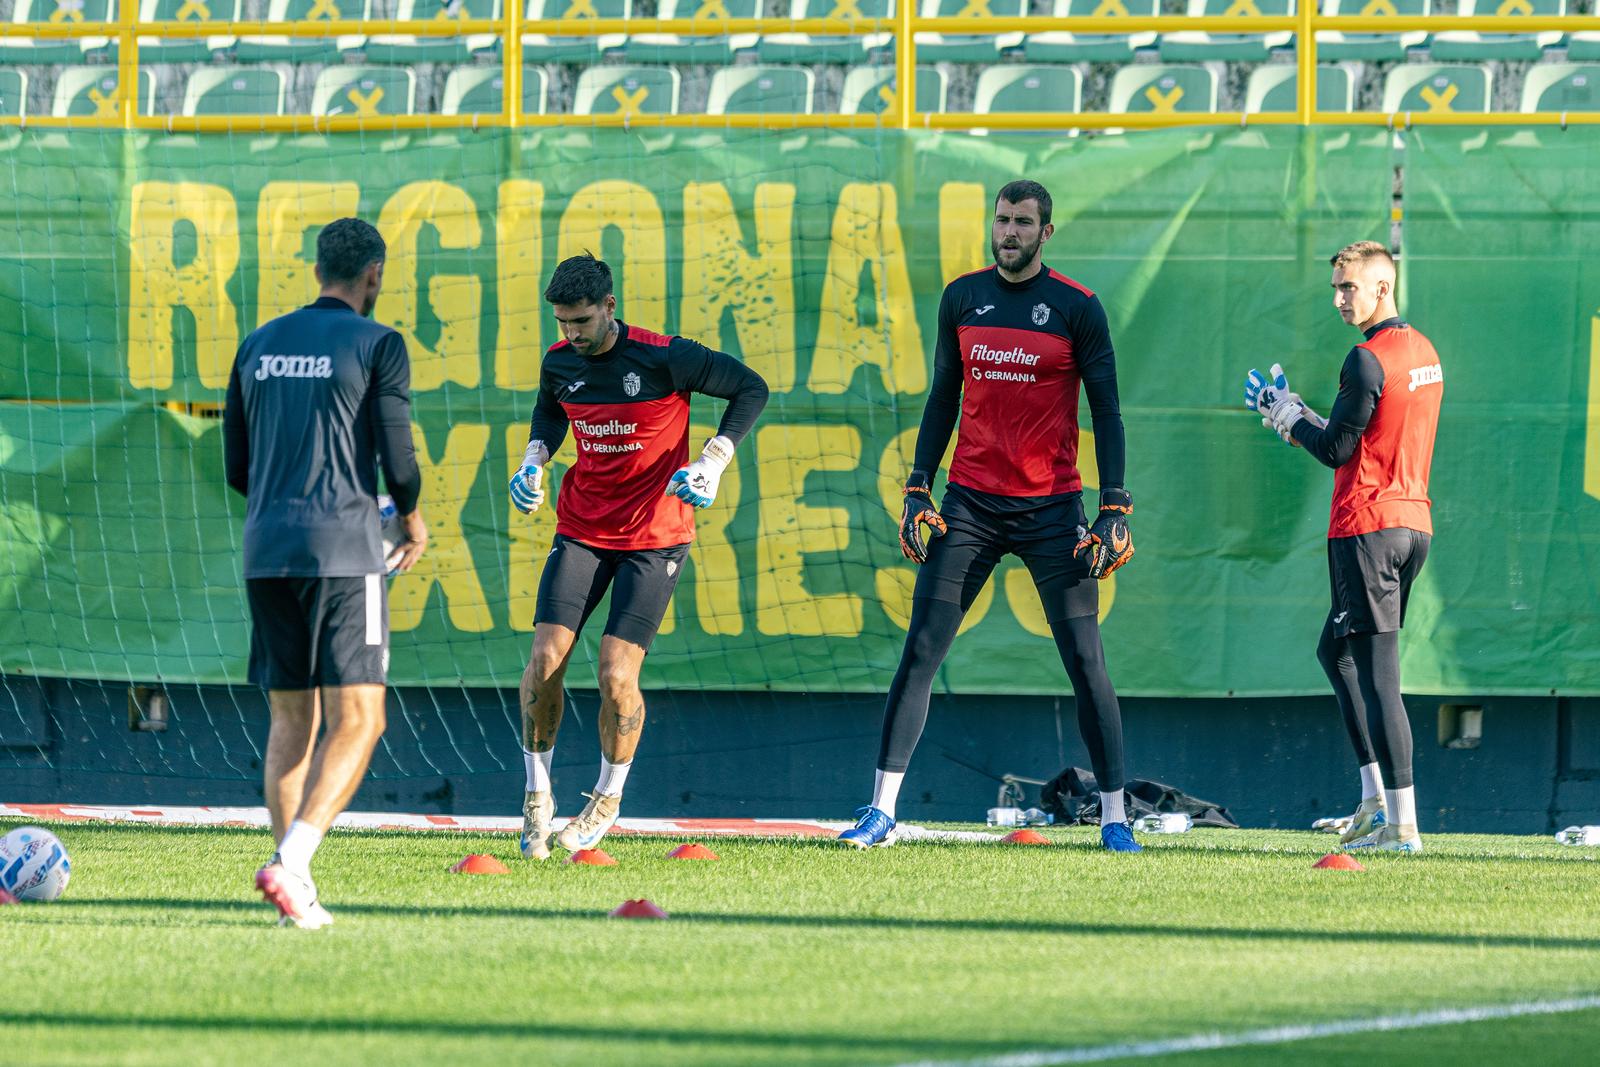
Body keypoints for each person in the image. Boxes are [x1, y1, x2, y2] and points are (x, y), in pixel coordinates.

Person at [839, 179, 1142, 853]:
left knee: (1086, 660)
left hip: (1053, 509)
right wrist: (918, 484)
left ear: (1046, 232)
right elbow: (943, 394)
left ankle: (1117, 817)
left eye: (1023, 222)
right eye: (1002, 220)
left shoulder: (1077, 308)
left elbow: (1108, 413)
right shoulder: (962, 298)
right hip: (969, 505)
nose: (1008, 231)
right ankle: (881, 811)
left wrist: (1114, 504)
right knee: (921, 648)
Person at [510, 253, 768, 859]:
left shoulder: (665, 356)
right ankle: (536, 800)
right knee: (545, 658)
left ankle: (606, 796)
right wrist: (533, 459)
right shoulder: (558, 361)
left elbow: (750, 388)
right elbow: (551, 411)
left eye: (580, 320)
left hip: (655, 536)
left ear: (609, 307)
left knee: (614, 675)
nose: (571, 334)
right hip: (580, 527)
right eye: (562, 322)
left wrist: (712, 460)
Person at [223, 217, 427, 928]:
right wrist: (409, 514)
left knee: (290, 717)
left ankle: (294, 898)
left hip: (265, 546)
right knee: (362, 717)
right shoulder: (379, 343)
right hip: (343, 547)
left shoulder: (258, 344)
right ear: (373, 274)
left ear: (316, 272)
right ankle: (294, 862)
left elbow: (236, 468)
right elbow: (397, 455)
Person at [1246, 240, 1443, 854]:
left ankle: (1401, 825)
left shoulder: (1365, 358)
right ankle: (1372, 800)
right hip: (1411, 525)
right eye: (1335, 287)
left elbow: (1335, 450)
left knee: (1380, 676)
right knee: (1336, 652)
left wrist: (1284, 415)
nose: (1338, 298)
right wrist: (1303, 413)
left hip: (1367, 527)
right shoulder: (1423, 351)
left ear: (1382, 287)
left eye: (1347, 287)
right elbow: (1359, 431)